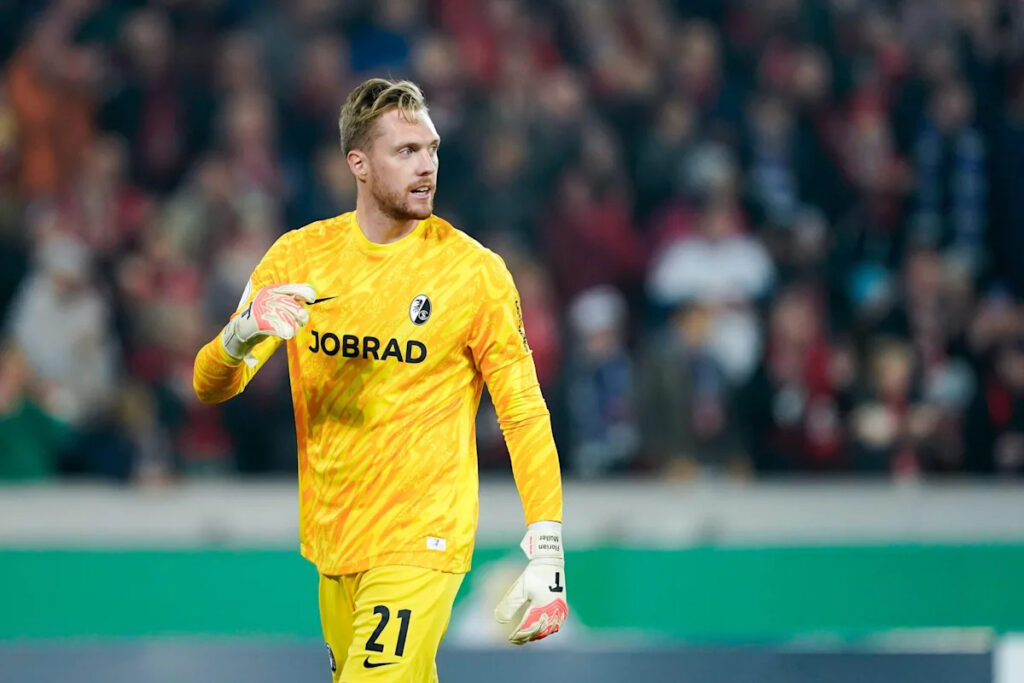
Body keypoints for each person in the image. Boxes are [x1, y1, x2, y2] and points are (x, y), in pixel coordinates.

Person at [192, 78, 567, 681]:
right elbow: (211, 385)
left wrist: (546, 545)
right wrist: (241, 332)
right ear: (358, 164)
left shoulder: (473, 274)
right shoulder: (299, 258)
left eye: (432, 149)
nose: (427, 166)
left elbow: (522, 410)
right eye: (406, 151)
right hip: (335, 539)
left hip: (422, 537)